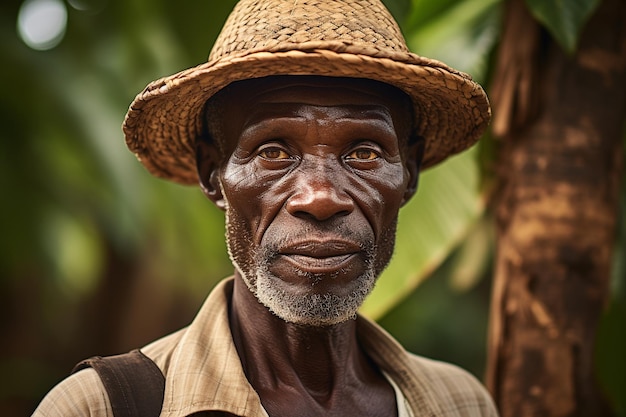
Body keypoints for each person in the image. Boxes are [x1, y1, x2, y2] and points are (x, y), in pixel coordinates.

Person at [34, 0, 497, 416]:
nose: (320, 197)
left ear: (409, 175)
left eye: (364, 153)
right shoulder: (98, 407)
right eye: (273, 151)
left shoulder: (460, 403)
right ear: (212, 173)